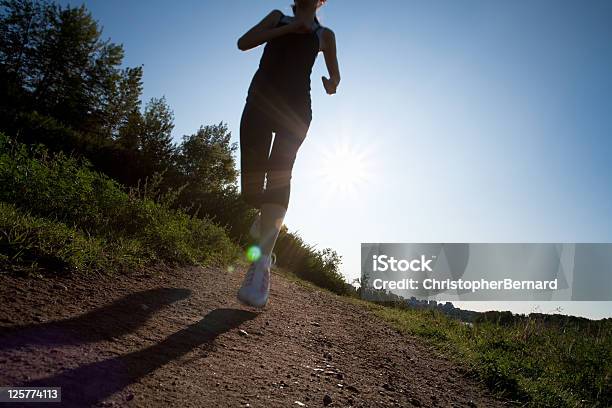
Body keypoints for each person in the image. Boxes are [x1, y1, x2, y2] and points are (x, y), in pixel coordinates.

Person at [236, 0, 341, 308]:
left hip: (295, 111)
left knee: (281, 173)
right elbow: (244, 43)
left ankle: (261, 266)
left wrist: (331, 84)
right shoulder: (277, 17)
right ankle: (265, 219)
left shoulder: (325, 35)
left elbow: (335, 75)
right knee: (252, 190)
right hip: (259, 103)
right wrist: (290, 28)